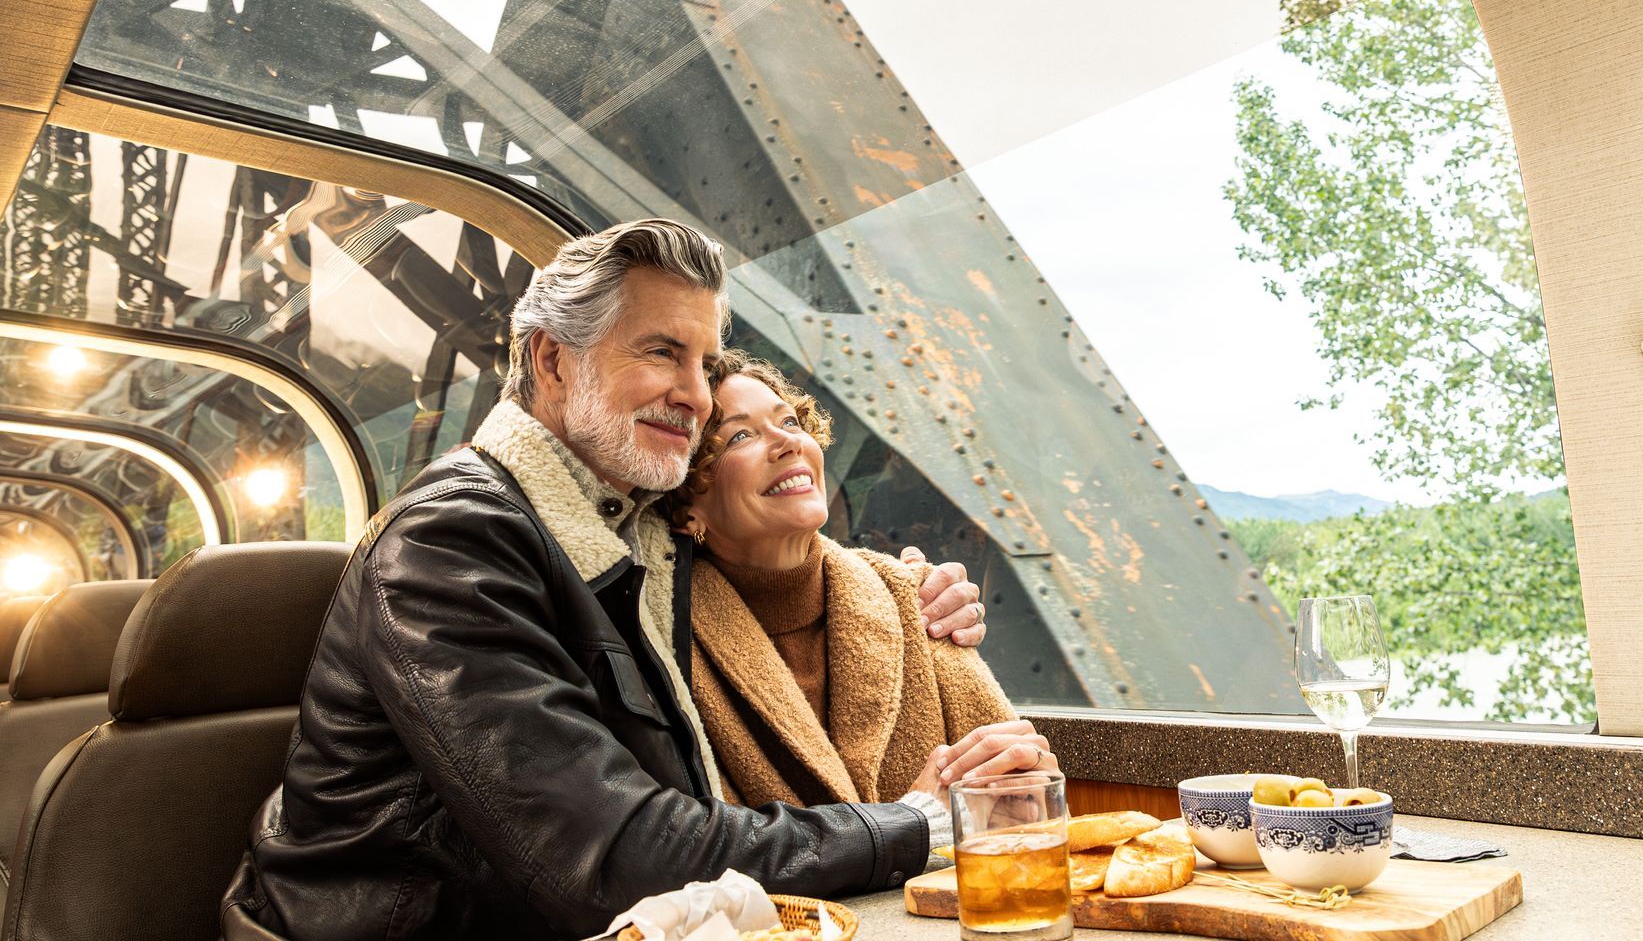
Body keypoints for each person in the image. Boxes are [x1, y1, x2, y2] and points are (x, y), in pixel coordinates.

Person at [222, 219, 1029, 941]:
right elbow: (616, 859)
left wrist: (902, 590)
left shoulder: (631, 532)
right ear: (551, 360)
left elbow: (769, 578)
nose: (696, 396)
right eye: (661, 352)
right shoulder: (451, 542)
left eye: (706, 364)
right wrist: (919, 824)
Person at [660, 352, 1054, 839]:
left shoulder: (913, 598)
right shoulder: (663, 640)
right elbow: (702, 849)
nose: (788, 441)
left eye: (789, 421)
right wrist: (915, 821)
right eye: (740, 435)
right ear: (685, 506)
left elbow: (1023, 805)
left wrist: (1028, 794)